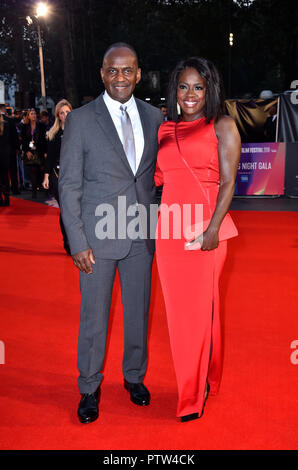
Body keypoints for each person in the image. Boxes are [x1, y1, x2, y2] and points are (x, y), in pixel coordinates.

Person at [59, 43, 163, 424]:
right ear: (103, 74)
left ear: (138, 74)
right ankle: (89, 386)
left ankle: (134, 377)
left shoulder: (155, 117)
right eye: (112, 70)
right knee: (94, 317)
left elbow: (156, 176)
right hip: (98, 237)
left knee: (138, 312)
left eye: (128, 70)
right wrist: (77, 240)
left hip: (141, 235)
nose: (120, 77)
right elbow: (68, 185)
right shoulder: (83, 120)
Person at [154, 57, 241, 422]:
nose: (190, 95)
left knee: (195, 313)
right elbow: (159, 180)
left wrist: (210, 232)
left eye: (198, 87)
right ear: (175, 90)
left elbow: (228, 182)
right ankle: (208, 374)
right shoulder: (164, 129)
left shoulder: (222, 126)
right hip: (169, 232)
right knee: (189, 312)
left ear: (210, 90)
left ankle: (191, 396)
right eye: (184, 87)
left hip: (205, 230)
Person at [42, 99, 72, 255]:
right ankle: (68, 241)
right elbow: (50, 158)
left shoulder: (78, 132)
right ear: (58, 116)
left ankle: (77, 240)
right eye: (62, 113)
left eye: (67, 112)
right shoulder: (53, 134)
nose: (65, 115)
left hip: (75, 176)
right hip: (57, 175)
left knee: (76, 210)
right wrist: (46, 176)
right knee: (66, 209)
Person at [20, 108, 47, 198]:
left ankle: (44, 188)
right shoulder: (24, 126)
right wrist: (27, 150)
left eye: (35, 113)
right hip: (30, 151)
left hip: (40, 150)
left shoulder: (41, 125)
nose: (34, 115)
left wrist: (45, 152)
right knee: (32, 170)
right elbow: (23, 140)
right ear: (28, 116)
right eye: (31, 114)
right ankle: (34, 191)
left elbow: (44, 140)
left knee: (42, 169)